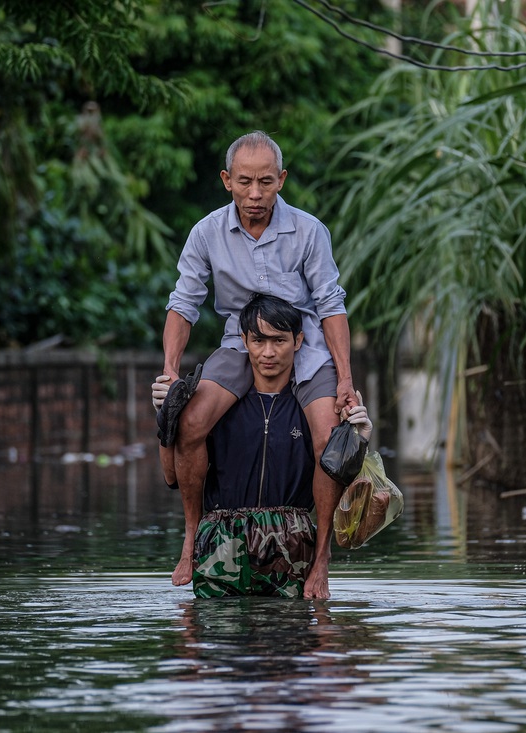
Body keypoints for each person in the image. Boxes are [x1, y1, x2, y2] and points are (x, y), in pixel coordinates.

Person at [158, 130, 357, 599]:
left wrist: (345, 378)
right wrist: (169, 370)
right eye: (244, 182)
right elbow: (184, 302)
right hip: (238, 344)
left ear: (281, 180)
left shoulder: (309, 231)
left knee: (330, 437)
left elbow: (330, 303)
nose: (255, 194)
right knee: (190, 421)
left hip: (302, 346)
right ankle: (191, 536)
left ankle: (321, 557)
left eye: (266, 182)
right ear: (227, 180)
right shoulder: (206, 232)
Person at [152, 294, 370, 598]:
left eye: (279, 341)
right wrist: (166, 417)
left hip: (292, 547)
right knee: (215, 636)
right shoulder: (216, 407)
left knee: (291, 637)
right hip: (221, 545)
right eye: (258, 341)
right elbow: (172, 477)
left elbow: (353, 498)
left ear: (298, 341)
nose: (268, 353)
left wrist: (357, 439)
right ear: (244, 341)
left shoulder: (313, 411)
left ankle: (321, 565)